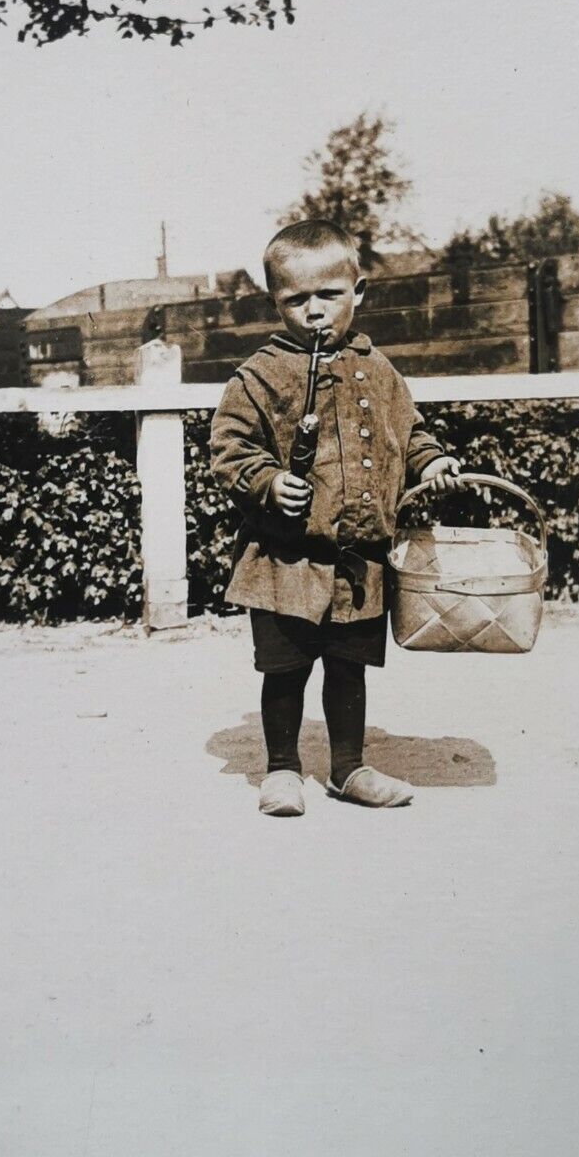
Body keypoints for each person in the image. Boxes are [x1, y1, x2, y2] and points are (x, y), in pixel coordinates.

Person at [210, 219, 462, 816]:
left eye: (329, 295)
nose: (314, 311)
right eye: (296, 300)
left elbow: (412, 434)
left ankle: (349, 768)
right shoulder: (259, 375)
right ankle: (281, 770)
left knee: (349, 669)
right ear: (276, 301)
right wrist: (268, 482)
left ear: (359, 290)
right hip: (285, 559)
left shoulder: (380, 372)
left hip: (359, 561)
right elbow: (229, 448)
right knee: (286, 669)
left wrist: (431, 464)